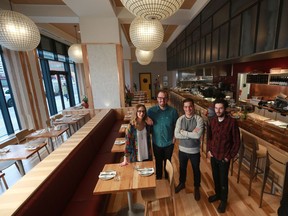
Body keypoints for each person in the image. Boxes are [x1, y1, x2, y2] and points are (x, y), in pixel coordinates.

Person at [206, 98, 240, 213]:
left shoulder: (232, 122)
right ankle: (218, 195)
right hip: (213, 154)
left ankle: (224, 200)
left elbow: (236, 142)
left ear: (225, 109)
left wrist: (229, 156)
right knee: (215, 177)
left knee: (223, 180)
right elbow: (209, 137)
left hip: (224, 157)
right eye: (216, 108)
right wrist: (209, 150)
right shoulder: (212, 121)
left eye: (220, 108)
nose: (218, 110)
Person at [174, 98, 204, 201]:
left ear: (193, 107)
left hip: (194, 150)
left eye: (190, 106)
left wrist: (184, 132)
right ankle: (182, 183)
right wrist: (191, 134)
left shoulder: (199, 119)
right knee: (182, 168)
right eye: (186, 107)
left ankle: (197, 187)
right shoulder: (180, 119)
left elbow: (197, 135)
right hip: (182, 150)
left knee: (196, 170)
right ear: (183, 108)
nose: (188, 109)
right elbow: (176, 135)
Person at [147, 90, 178, 179]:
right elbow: (142, 117)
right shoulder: (151, 111)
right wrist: (146, 119)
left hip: (169, 142)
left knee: (168, 162)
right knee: (158, 162)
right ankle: (159, 179)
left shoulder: (173, 111)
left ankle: (168, 180)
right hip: (156, 141)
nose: (162, 100)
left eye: (164, 98)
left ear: (167, 99)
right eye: (160, 98)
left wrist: (175, 137)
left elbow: (177, 125)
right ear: (157, 99)